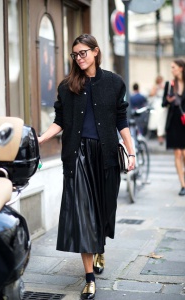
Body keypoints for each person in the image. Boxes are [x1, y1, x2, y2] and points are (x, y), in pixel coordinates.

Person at [38, 34, 135, 300]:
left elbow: (121, 119)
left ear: (95, 52)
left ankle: (99, 247)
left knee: (103, 211)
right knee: (84, 215)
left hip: (105, 155)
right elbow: (60, 120)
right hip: (77, 155)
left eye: (83, 53)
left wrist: (131, 150)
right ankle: (89, 278)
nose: (79, 58)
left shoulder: (114, 82)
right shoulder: (67, 85)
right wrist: (42, 138)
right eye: (75, 55)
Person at [162, 58, 185, 196]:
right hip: (174, 122)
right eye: (171, 67)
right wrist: (168, 100)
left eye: (174, 67)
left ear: (181, 68)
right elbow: (163, 104)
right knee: (177, 153)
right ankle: (183, 185)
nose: (172, 70)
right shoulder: (169, 84)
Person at [148, 75, 167, 144]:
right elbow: (151, 94)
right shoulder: (155, 87)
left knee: (162, 121)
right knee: (158, 121)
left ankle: (161, 136)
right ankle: (160, 137)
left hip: (163, 104)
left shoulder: (164, 86)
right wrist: (156, 89)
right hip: (158, 104)